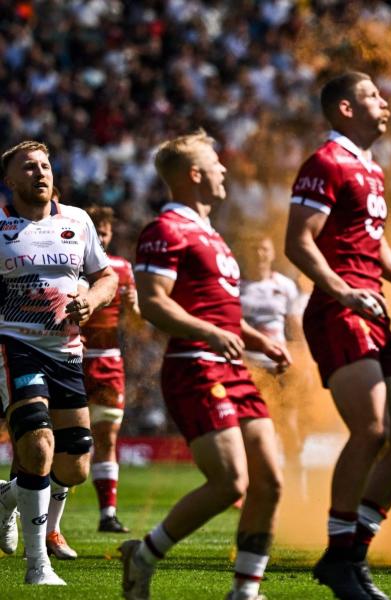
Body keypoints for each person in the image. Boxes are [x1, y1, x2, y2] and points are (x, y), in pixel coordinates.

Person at [120, 131, 289, 600]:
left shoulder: (212, 235)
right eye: (216, 164)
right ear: (195, 175)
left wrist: (262, 341)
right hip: (195, 365)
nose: (224, 171)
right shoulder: (165, 230)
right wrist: (212, 335)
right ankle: (144, 555)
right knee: (230, 480)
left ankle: (245, 592)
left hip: (231, 366)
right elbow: (153, 304)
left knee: (270, 480)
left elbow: (224, 314)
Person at [285, 71, 391, 600]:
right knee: (371, 430)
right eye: (371, 94)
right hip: (337, 309)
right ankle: (341, 555)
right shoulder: (325, 162)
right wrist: (344, 292)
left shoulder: (371, 169)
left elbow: (373, 238)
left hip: (375, 310)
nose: (384, 101)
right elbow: (298, 242)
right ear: (345, 109)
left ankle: (351, 552)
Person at [0, 140, 118, 585]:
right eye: (28, 167)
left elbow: (106, 276)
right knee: (38, 446)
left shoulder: (78, 221)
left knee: (74, 468)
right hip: (14, 344)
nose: (40, 173)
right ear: (10, 180)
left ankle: (7, 498)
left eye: (45, 166)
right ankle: (38, 566)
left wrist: (90, 298)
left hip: (66, 352)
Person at [81, 205, 140, 535]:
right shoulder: (71, 264)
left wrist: (134, 307)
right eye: (96, 232)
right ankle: (42, 516)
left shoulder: (121, 269)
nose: (101, 237)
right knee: (65, 440)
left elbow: (137, 322)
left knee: (107, 437)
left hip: (108, 360)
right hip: (70, 358)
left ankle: (108, 513)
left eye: (105, 232)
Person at [239, 237, 306, 499]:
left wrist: (302, 357)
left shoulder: (285, 286)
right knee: (249, 428)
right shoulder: (237, 286)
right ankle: (246, 488)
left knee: (289, 426)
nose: (259, 254)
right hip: (248, 365)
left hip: (279, 366)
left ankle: (298, 491)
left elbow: (294, 325)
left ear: (272, 252)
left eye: (264, 248)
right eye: (254, 247)